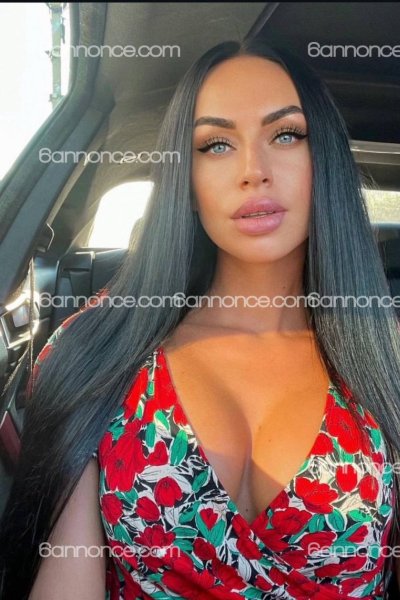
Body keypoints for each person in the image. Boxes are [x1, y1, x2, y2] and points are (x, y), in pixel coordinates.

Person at [1, 38, 400, 600]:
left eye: (286, 135)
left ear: (326, 162)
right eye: (216, 145)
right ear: (185, 184)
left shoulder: (387, 362)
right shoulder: (98, 351)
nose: (253, 170)